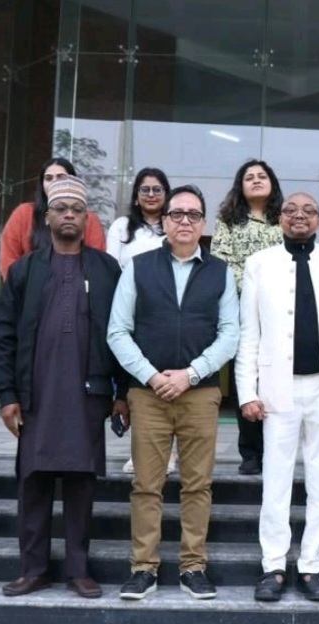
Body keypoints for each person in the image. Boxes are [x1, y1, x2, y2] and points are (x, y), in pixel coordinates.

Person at [0, 176, 129, 600]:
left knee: (81, 484)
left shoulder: (107, 270)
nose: (69, 215)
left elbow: (123, 333)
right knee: (33, 484)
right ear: (46, 218)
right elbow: (5, 335)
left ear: (86, 220)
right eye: (61, 209)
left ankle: (78, 570)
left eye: (77, 210)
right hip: (36, 395)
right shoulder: (24, 270)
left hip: (88, 394)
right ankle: (33, 570)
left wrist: (121, 393)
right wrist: (8, 394)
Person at [108, 184, 240, 601]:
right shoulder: (138, 267)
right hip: (148, 395)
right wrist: (152, 377)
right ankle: (143, 568)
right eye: (176, 213)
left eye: (193, 214)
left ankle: (193, 567)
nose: (185, 221)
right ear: (163, 221)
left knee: (197, 485)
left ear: (204, 223)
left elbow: (230, 334)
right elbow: (117, 331)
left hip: (200, 394)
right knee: (146, 485)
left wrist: (191, 374)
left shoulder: (220, 272)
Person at [238, 192, 319, 603]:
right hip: (277, 389)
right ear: (281, 219)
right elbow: (249, 333)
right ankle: (273, 565)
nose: (299, 216)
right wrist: (246, 392)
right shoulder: (259, 263)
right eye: (291, 211)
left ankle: (311, 565)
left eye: (308, 211)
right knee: (276, 481)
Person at [211, 159, 284, 475]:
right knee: (247, 378)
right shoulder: (228, 220)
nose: (256, 180)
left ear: (272, 182)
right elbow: (221, 262)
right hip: (242, 309)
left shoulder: (284, 218)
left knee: (276, 378)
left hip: (281, 311)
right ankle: (250, 452)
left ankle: (275, 448)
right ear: (240, 186)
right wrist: (256, 288)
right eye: (249, 177)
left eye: (262, 176)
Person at [105, 166, 172, 476]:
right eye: (145, 189)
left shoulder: (173, 224)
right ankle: (140, 453)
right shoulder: (121, 227)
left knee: (168, 384)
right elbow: (111, 268)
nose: (151, 194)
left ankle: (169, 455)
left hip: (166, 314)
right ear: (136, 195)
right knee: (137, 388)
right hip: (130, 314)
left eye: (157, 189)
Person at [0, 157, 106, 279]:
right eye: (48, 178)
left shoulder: (88, 219)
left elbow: (96, 263)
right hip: (29, 287)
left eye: (61, 177)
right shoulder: (24, 213)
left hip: (76, 286)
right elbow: (8, 262)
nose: (54, 182)